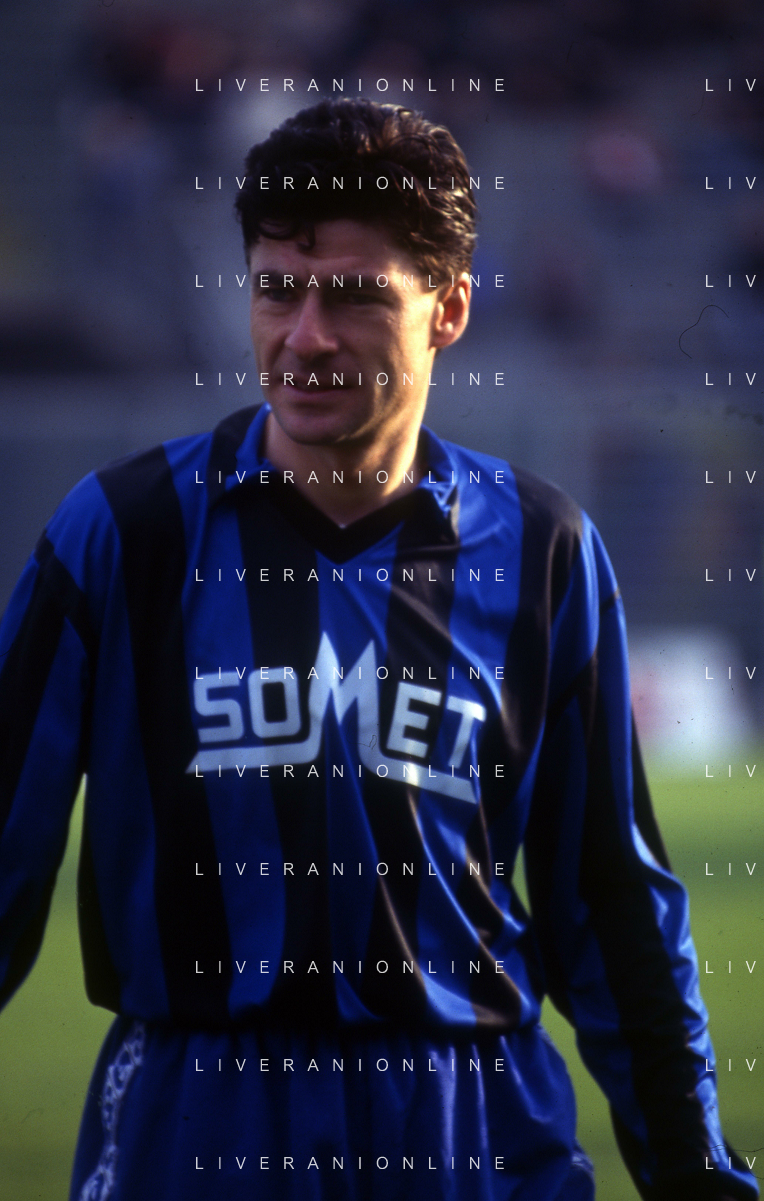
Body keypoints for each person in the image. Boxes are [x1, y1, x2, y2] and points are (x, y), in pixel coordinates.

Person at [0, 98, 756, 1201]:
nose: (305, 336)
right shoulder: (126, 532)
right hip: (197, 1123)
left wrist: (693, 1168)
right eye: (277, 290)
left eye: (354, 296)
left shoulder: (542, 550)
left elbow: (610, 901)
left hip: (473, 1128)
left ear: (448, 307)